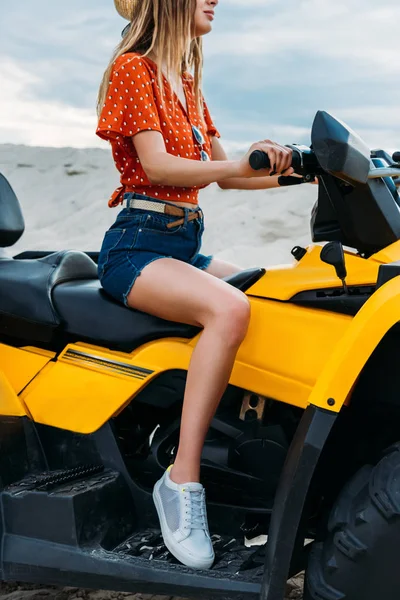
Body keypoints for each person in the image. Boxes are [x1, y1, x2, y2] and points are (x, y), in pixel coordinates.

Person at [96, 0, 301, 571]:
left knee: (266, 293)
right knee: (230, 309)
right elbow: (159, 168)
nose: (216, 0)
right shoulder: (133, 68)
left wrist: (297, 173)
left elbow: (230, 177)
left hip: (184, 244)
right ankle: (181, 479)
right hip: (136, 249)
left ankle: (242, 454)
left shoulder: (186, 83)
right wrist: (240, 163)